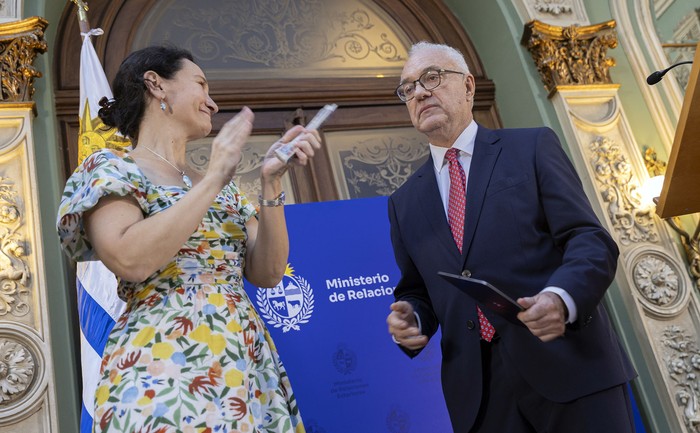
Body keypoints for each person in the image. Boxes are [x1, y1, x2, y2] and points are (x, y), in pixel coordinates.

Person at [57, 46, 320, 433]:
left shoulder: (223, 188)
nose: (212, 103)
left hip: (243, 359)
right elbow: (131, 259)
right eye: (201, 85)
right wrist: (214, 178)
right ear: (156, 84)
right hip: (162, 362)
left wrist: (271, 180)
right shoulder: (110, 168)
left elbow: (268, 272)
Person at [385, 41, 637, 432]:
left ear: (468, 86)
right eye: (408, 88)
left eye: (431, 78)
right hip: (482, 402)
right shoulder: (403, 202)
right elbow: (417, 290)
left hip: (569, 369)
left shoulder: (531, 147)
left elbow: (589, 240)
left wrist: (561, 297)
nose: (419, 92)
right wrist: (412, 317)